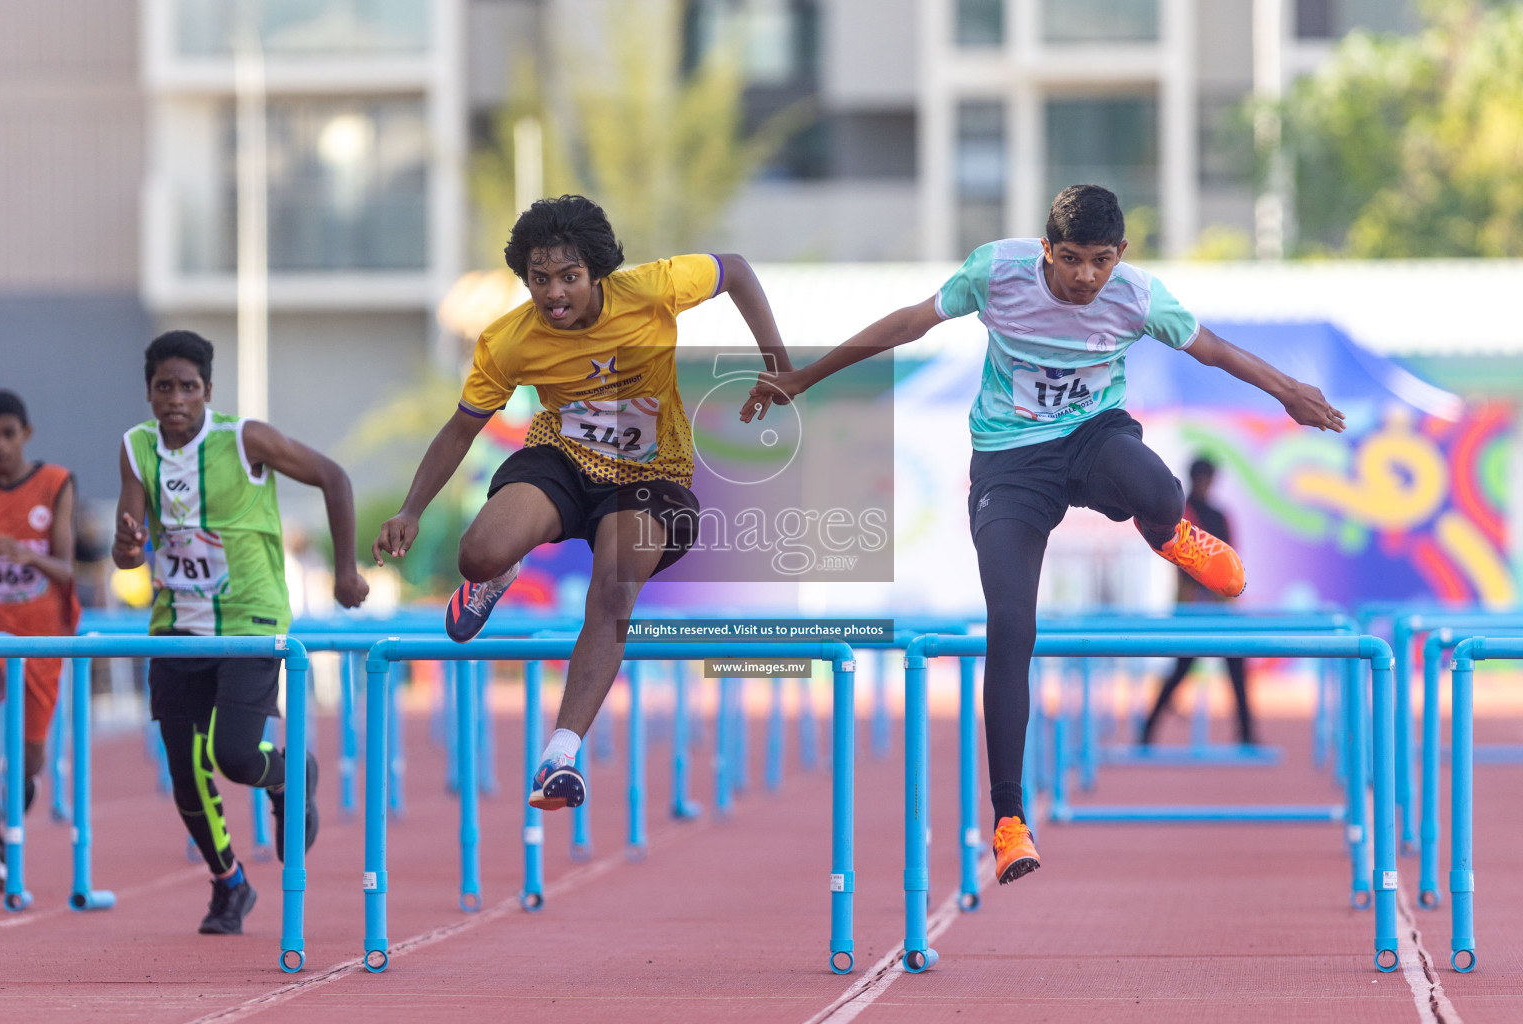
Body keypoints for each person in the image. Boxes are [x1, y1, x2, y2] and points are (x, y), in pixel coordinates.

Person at [744, 184, 1343, 886]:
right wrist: (804, 378)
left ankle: (1170, 537)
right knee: (1010, 625)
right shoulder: (995, 273)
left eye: (1099, 261)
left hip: (1093, 440)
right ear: (1044, 251)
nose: (1085, 277)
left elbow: (1210, 349)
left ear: (1120, 255)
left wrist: (1288, 391)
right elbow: (910, 323)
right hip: (1010, 461)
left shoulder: (1137, 295)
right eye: (1069, 260)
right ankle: (1008, 819)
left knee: (1161, 490)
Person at [373, 195, 792, 812]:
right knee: (476, 555)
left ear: (596, 272)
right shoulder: (509, 341)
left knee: (615, 587)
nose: (554, 295)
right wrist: (411, 509)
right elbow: (461, 428)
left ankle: (560, 755)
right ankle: (501, 571)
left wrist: (776, 360)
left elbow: (734, 269)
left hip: (652, 475)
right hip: (564, 460)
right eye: (539, 280)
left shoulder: (652, 289)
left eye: (568, 277)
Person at [112, 331, 369, 934]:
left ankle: (289, 773)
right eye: (164, 387)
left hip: (250, 618)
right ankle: (228, 883)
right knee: (183, 771)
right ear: (149, 392)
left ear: (207, 390)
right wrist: (127, 547)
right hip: (175, 625)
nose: (176, 399)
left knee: (232, 754)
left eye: (189, 388)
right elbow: (129, 553)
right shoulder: (135, 447)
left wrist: (345, 572)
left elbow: (333, 477)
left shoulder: (244, 438)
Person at [0, 389, 80, 892]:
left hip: (42, 631)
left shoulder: (54, 483)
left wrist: (27, 557)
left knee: (30, 754)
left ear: (25, 434)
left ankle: (12, 800)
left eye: (7, 434)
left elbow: (67, 567)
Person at [1140, 457, 1255, 745]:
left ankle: (1247, 735)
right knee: (1180, 670)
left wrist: (1225, 593)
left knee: (1237, 670)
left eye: (1210, 479)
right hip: (1192, 606)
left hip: (1220, 607)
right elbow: (1179, 560)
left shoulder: (1220, 515)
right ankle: (1147, 731)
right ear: (1195, 479)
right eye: (1203, 478)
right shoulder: (1180, 513)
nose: (1207, 484)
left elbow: (1231, 559)